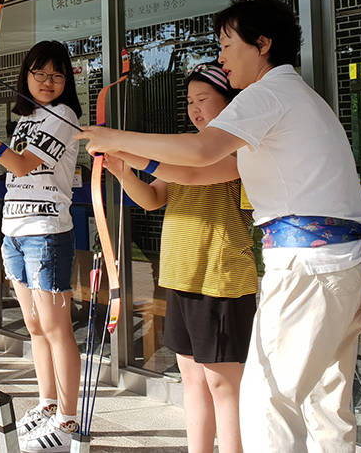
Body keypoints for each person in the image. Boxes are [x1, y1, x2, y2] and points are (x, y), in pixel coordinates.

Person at [76, 0, 361, 452]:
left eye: (227, 45)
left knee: (267, 400)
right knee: (324, 404)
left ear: (263, 44)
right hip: (337, 267)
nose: (222, 58)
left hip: (307, 269)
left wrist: (113, 135)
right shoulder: (290, 98)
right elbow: (199, 172)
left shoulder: (267, 93)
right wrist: (124, 156)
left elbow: (199, 152)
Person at [101, 62, 255, 453]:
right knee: (192, 380)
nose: (194, 108)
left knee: (223, 385)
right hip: (178, 276)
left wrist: (129, 149)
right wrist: (122, 171)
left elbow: (193, 171)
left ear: (230, 102)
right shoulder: (187, 148)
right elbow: (153, 199)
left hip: (220, 277)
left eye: (204, 99)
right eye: (190, 101)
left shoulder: (241, 148)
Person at [0, 40, 82, 453]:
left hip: (46, 231)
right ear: (25, 75)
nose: (47, 82)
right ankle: (48, 405)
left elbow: (22, 164)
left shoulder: (63, 115)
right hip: (15, 232)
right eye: (39, 73)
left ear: (67, 81)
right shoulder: (28, 118)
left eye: (57, 74)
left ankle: (67, 419)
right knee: (34, 325)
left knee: (55, 326)